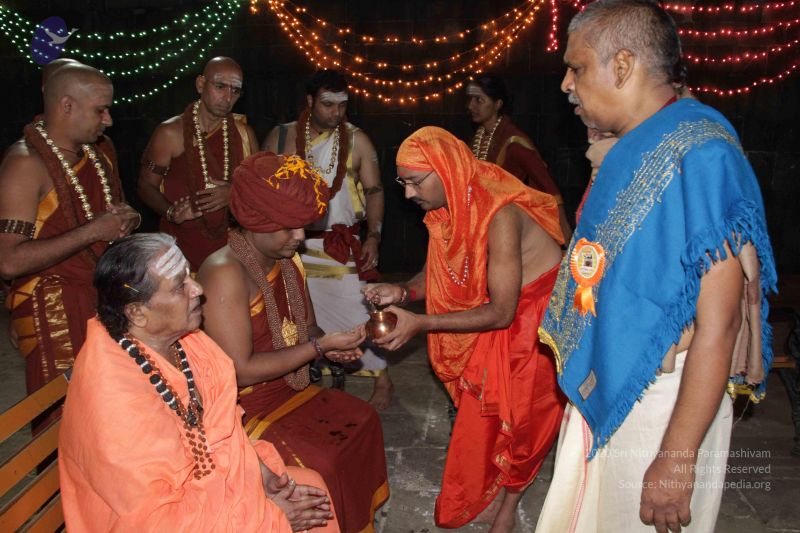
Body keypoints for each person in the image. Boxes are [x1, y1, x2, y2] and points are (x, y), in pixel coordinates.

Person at [535, 2, 777, 532]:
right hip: (618, 382)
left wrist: (676, 459)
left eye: (576, 68)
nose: (567, 85)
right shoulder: (634, 144)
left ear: (623, 66)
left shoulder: (703, 152)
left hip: (663, 404)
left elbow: (720, 322)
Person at [59, 233, 339, 532]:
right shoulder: (113, 399)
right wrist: (269, 519)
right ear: (137, 313)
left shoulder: (184, 342)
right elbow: (154, 520)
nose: (198, 290)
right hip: (164, 520)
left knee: (311, 490)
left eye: (189, 277)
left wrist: (262, 475)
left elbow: (222, 428)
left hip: (209, 489)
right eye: (180, 287)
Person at [363, 126, 566, 532]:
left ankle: (509, 506)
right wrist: (402, 292)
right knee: (483, 408)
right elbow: (434, 275)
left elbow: (503, 313)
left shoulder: (499, 214)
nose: (408, 194)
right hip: (498, 303)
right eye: (402, 184)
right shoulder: (447, 203)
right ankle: (493, 485)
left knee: (523, 415)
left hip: (535, 311)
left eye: (415, 182)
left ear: (445, 170)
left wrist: (421, 323)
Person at [198, 152, 390, 533]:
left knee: (364, 419)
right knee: (323, 463)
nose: (300, 237)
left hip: (292, 390)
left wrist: (330, 347)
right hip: (242, 413)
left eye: (302, 226)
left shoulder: (288, 260)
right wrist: (319, 348)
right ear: (254, 220)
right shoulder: (223, 273)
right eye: (288, 227)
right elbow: (239, 370)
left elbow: (308, 329)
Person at [0, 63, 139, 420]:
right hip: (53, 309)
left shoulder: (98, 152)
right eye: (100, 110)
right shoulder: (24, 164)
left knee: (113, 412)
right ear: (66, 106)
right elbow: (9, 261)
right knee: (70, 419)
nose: (109, 120)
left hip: (101, 295)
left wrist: (128, 219)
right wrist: (94, 231)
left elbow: (115, 213)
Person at [262, 69, 393, 410]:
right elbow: (262, 188)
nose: (336, 112)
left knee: (356, 309)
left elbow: (375, 190)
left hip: (338, 244)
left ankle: (382, 379)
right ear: (309, 101)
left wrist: (374, 235)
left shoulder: (357, 140)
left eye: (342, 105)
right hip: (291, 243)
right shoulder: (281, 137)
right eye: (327, 104)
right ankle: (311, 374)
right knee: (300, 312)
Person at [137, 56, 259, 271]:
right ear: (201, 84)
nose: (227, 97)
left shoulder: (244, 134)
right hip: (180, 251)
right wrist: (172, 212)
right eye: (220, 86)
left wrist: (234, 192)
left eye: (235, 90)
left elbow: (259, 188)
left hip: (231, 251)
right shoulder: (170, 133)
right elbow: (145, 186)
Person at [466, 75, 572, 241]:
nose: (471, 106)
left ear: (498, 104)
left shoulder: (513, 141)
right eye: (471, 99)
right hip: (481, 223)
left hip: (508, 225)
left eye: (479, 100)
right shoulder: (478, 138)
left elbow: (547, 184)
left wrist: (564, 231)